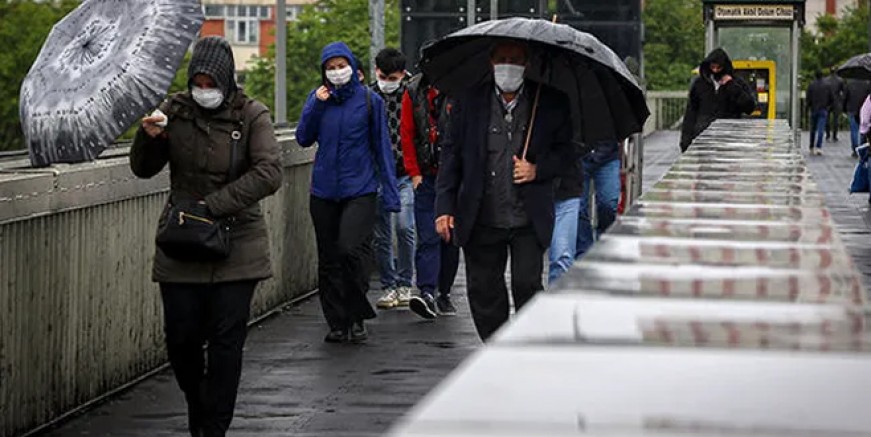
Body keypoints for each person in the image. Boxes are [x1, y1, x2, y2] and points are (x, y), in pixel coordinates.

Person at [129, 36, 283, 437]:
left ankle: (212, 428)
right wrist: (149, 136)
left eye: (210, 82)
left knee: (226, 343)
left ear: (226, 79)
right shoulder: (172, 112)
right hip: (182, 243)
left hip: (237, 244)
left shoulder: (251, 115)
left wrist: (213, 206)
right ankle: (199, 405)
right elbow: (142, 169)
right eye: (197, 82)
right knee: (180, 341)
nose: (204, 90)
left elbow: (270, 172)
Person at [436, 40, 574, 341]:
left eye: (515, 59)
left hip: (527, 217)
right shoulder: (467, 102)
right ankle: (495, 348)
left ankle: (526, 345)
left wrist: (538, 169)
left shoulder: (550, 102)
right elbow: (451, 155)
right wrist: (444, 207)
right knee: (484, 291)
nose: (507, 65)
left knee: (527, 284)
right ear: (490, 62)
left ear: (527, 63)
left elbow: (568, 153)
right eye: (502, 58)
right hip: (481, 214)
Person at [296, 41, 401, 343]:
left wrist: (391, 193)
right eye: (330, 68)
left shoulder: (370, 102)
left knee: (351, 250)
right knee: (329, 259)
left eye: (341, 66)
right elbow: (303, 138)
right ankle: (338, 322)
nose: (337, 72)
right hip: (324, 191)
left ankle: (356, 312)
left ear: (353, 68)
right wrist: (315, 103)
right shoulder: (318, 100)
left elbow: (382, 149)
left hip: (360, 189)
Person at [401, 73, 460, 318]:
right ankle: (427, 290)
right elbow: (407, 133)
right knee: (428, 235)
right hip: (426, 176)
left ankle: (443, 292)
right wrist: (414, 173)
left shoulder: (460, 91)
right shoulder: (414, 92)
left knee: (451, 238)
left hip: (454, 178)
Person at [369, 48, 416, 310]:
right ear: (376, 71)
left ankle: (405, 282)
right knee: (382, 233)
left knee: (404, 227)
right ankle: (389, 286)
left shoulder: (411, 93)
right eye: (384, 76)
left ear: (401, 73)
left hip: (404, 172)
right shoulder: (368, 96)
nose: (388, 81)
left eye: (393, 76)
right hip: (376, 173)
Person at [679, 48, 756, 152]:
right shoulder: (699, 84)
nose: (715, 70)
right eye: (712, 67)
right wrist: (685, 141)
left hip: (729, 138)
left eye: (718, 68)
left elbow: (749, 107)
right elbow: (691, 113)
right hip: (703, 137)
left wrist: (731, 86)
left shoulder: (737, 83)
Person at [807, 70, 833, 155]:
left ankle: (811, 146)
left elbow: (808, 98)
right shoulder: (827, 85)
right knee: (821, 129)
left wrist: (809, 106)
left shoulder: (811, 85)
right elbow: (831, 98)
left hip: (814, 109)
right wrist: (828, 107)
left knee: (813, 129)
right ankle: (819, 147)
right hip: (823, 109)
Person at [843, 78, 871, 157]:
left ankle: (855, 148)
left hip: (852, 108)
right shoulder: (867, 84)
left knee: (854, 130)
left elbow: (845, 97)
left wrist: (844, 109)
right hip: (864, 108)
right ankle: (862, 146)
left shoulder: (849, 84)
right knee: (863, 129)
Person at [825, 66, 846, 142]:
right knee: (835, 119)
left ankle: (827, 135)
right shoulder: (840, 80)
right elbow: (844, 91)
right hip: (836, 101)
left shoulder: (826, 80)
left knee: (826, 119)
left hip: (827, 102)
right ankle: (834, 136)